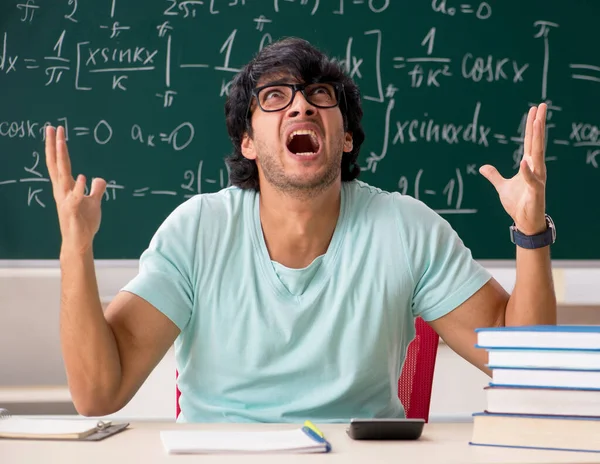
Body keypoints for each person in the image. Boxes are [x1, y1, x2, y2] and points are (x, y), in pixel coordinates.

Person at [45, 37, 556, 423]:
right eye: (274, 97)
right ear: (247, 142)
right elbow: (98, 394)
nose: (300, 105)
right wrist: (74, 248)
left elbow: (525, 366)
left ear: (348, 137)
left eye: (319, 94)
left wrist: (531, 232)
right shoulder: (197, 230)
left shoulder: (406, 227)